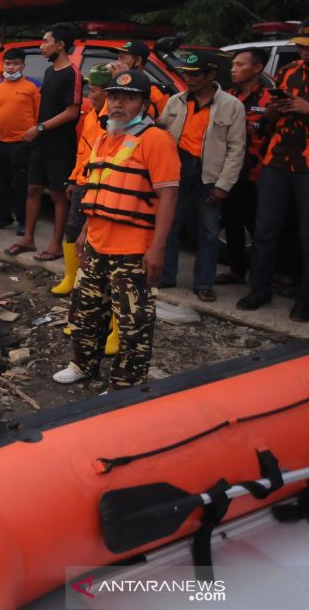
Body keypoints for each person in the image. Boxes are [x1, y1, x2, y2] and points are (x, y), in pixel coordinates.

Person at [53, 70, 179, 388]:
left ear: (145, 104)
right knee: (85, 312)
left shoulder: (156, 140)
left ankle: (126, 384)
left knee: (133, 323)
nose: (119, 103)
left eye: (129, 97)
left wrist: (157, 248)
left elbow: (168, 196)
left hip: (134, 250)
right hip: (96, 244)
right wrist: (83, 234)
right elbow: (99, 191)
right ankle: (84, 364)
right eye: (114, 97)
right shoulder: (105, 136)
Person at [156, 53, 245, 302]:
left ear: (211, 75)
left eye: (195, 74)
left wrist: (224, 185)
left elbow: (236, 149)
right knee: (170, 224)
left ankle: (204, 283)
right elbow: (161, 134)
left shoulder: (231, 106)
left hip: (209, 174)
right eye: (186, 73)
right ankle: (165, 275)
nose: (188, 78)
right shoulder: (176, 101)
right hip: (178, 169)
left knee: (208, 230)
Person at [237, 22, 309, 321]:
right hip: (276, 161)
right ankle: (260, 289)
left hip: (307, 165)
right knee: (265, 229)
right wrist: (276, 108)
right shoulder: (289, 70)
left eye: (307, 45)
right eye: (301, 44)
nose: (302, 49)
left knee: (307, 236)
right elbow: (268, 115)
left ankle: (305, 299)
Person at [7, 23, 81, 262]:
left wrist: (39, 127)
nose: (41, 46)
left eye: (45, 41)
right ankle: (28, 238)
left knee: (59, 194)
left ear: (60, 45)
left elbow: (72, 112)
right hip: (41, 143)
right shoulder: (49, 73)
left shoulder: (73, 74)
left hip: (60, 144)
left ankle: (56, 245)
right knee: (33, 189)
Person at [52, 64, 112, 295]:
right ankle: (71, 276)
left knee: (94, 236)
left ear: (106, 91)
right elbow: (82, 150)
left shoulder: (111, 119)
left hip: (100, 184)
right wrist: (74, 178)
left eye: (94, 90)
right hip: (82, 180)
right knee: (72, 228)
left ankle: (90, 282)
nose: (89, 94)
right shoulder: (90, 116)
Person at [218, 48, 274, 285]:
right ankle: (237, 269)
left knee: (260, 228)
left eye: (240, 65)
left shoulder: (271, 98)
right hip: (232, 171)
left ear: (257, 68)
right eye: (233, 65)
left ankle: (265, 277)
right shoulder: (228, 97)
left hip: (261, 173)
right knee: (232, 222)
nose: (233, 69)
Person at [0, 48, 40, 236]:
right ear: (3, 66)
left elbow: (40, 115)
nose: (11, 67)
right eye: (8, 64)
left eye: (15, 63)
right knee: (1, 183)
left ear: (23, 65)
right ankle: (5, 217)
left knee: (21, 185)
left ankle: (23, 221)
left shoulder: (34, 86)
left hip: (23, 144)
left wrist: (37, 132)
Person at [109, 40, 169, 116]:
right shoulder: (109, 83)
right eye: (118, 58)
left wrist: (120, 82)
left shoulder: (155, 92)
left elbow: (141, 117)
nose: (117, 63)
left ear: (137, 61)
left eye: (122, 58)